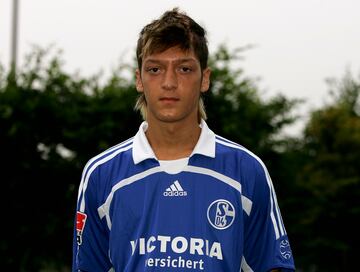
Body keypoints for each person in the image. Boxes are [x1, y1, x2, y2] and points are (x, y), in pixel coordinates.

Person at [72, 8, 295, 272]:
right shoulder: (101, 174)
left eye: (184, 68)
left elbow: (273, 266)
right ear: (139, 80)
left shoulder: (246, 170)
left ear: (205, 79)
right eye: (155, 69)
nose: (169, 82)